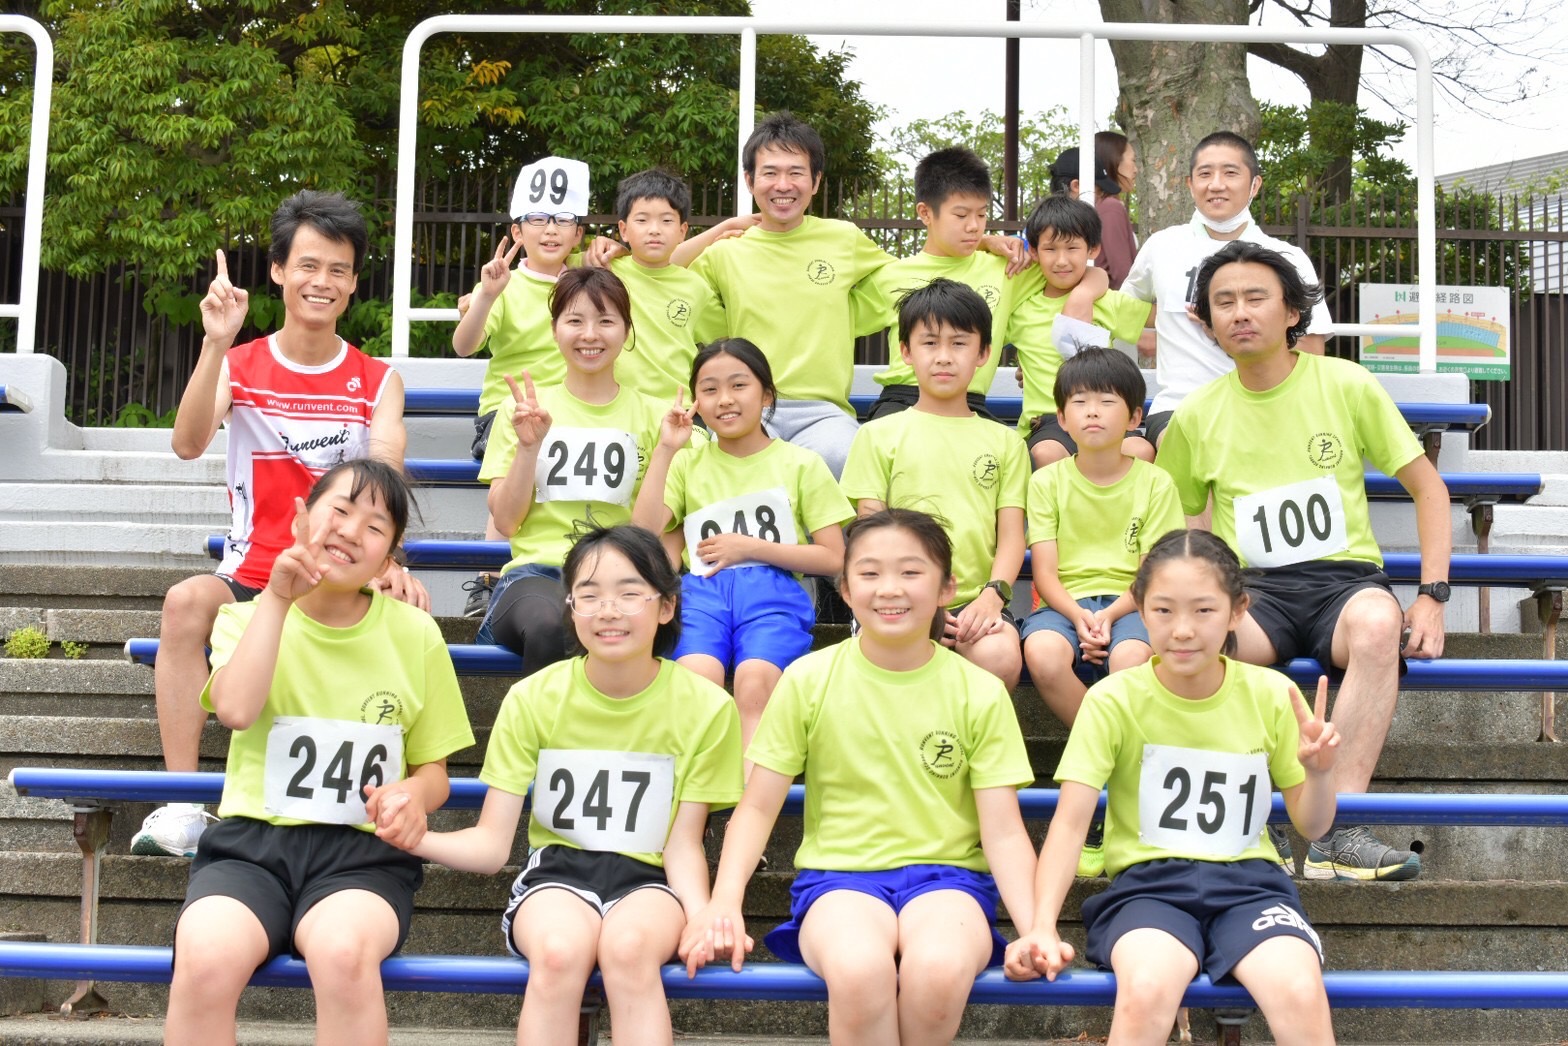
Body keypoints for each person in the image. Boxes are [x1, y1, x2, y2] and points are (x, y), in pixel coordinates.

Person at [135, 190, 423, 860]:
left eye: (339, 270)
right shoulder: (240, 364)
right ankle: (182, 802)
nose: (322, 282)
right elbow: (186, 443)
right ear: (278, 271)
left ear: (353, 284)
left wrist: (389, 563)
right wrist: (216, 344)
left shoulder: (377, 381)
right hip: (251, 575)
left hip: (340, 580)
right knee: (184, 603)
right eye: (309, 265)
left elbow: (386, 476)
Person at [681, 509, 1038, 1045]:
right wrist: (724, 901)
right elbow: (756, 807)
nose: (889, 589)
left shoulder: (979, 691)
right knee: (859, 970)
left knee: (938, 971)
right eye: (869, 573)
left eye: (911, 572)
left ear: (948, 587)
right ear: (845, 590)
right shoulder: (807, 678)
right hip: (838, 877)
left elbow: (1006, 831)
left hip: (949, 880)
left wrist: (1036, 928)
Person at [1159, 239, 1451, 881]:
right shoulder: (1195, 416)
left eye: (1255, 297)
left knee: (1379, 625)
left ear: (1292, 311)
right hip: (1252, 591)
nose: (1240, 312)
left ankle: (1334, 832)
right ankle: (1238, 820)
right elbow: (1187, 525)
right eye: (1223, 302)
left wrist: (1431, 594)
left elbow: (1428, 487)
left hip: (1345, 585)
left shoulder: (1346, 383)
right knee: (1198, 638)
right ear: (1205, 322)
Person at [392, 524, 743, 1046]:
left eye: (629, 593)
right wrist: (416, 839)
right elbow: (492, 846)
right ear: (570, 607)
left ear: (666, 607)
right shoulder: (532, 698)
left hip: (650, 883)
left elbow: (683, 843)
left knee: (629, 950)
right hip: (555, 874)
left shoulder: (709, 707)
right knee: (559, 950)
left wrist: (703, 916)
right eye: (590, 594)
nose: (608, 610)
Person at [165, 460, 474, 1046]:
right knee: (203, 957)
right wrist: (278, 601)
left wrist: (410, 794)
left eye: (376, 526)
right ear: (302, 516)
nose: (353, 530)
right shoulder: (243, 618)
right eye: (340, 508)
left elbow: (434, 771)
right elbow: (234, 710)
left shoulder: (416, 634)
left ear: (389, 559)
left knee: (343, 953)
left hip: (363, 857)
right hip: (251, 850)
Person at [1005, 529, 1339, 1046]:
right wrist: (1042, 925)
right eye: (1162, 611)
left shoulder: (1273, 694)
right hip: (1148, 888)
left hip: (1251, 886)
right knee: (1146, 986)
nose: (1182, 630)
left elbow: (1314, 826)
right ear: (1140, 609)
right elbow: (1070, 827)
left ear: (1237, 611)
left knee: (1299, 988)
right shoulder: (1113, 699)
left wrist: (1318, 773)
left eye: (1203, 611)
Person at [687, 112, 1027, 478]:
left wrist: (984, 241)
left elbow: (922, 272)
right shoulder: (724, 252)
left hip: (823, 413)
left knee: (851, 459)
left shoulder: (844, 239)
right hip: (746, 405)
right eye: (770, 172)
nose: (783, 184)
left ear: (816, 181)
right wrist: (715, 231)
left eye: (796, 172)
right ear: (750, 180)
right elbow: (659, 280)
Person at [632, 338, 851, 754]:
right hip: (701, 597)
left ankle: (747, 813)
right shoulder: (687, 463)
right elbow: (644, 530)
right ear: (695, 399)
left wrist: (750, 549)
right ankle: (697, 813)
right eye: (709, 389)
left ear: (766, 395)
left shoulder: (802, 464)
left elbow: (833, 556)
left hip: (774, 597)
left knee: (755, 684)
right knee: (696, 683)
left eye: (739, 386)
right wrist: (665, 449)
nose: (724, 400)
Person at [475, 266, 677, 676]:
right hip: (537, 574)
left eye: (606, 321)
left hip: (621, 576)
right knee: (553, 625)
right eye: (575, 321)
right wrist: (529, 448)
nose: (590, 335)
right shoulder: (522, 411)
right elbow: (508, 522)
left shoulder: (658, 418)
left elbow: (647, 531)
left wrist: (666, 451)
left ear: (626, 330)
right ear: (555, 330)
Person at [841, 280, 1028, 689]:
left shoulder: (1006, 441)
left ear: (983, 353)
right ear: (906, 351)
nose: (944, 357)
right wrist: (922, 605)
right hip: (896, 596)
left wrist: (993, 595)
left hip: (975, 601)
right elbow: (869, 534)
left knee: (998, 658)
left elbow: (1012, 535)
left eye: (959, 344)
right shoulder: (877, 435)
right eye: (929, 343)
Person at [1122, 131, 1332, 449]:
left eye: (1230, 173)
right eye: (1205, 174)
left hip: (1267, 407)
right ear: (1190, 184)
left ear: (1255, 185)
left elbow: (1312, 350)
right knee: (1191, 450)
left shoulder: (1286, 257)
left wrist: (1225, 334)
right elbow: (1120, 308)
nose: (1216, 184)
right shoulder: (1163, 246)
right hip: (1180, 409)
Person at [452, 157, 588, 619]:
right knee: (513, 467)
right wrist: (486, 295)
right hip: (508, 410)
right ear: (516, 231)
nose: (550, 230)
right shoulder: (503, 285)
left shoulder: (589, 285)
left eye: (563, 219)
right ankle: (488, 581)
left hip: (574, 410)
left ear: (578, 234)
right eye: (537, 219)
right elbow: (464, 346)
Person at [858, 146, 1067, 422]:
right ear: (925, 213)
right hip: (904, 399)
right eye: (961, 215)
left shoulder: (1009, 268)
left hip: (971, 404)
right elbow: (836, 319)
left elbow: (1077, 270)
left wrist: (1088, 290)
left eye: (981, 215)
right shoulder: (890, 276)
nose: (974, 226)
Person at [1011, 195, 1153, 469]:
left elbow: (1164, 319)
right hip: (1049, 419)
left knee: (1140, 449)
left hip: (1105, 415)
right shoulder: (1022, 308)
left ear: (1093, 249)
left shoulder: (1106, 301)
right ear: (1034, 251)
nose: (1062, 260)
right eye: (1050, 249)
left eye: (1072, 248)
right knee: (1046, 455)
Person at [607, 168, 728, 402]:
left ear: (682, 231)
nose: (654, 229)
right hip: (617, 406)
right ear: (623, 230)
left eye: (666, 220)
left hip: (679, 408)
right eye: (642, 220)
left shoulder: (696, 287)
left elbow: (727, 332)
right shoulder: (606, 271)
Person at [1048, 132, 1138, 289]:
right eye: (1133, 160)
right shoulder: (1110, 207)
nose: (1136, 169)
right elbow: (1123, 273)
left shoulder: (1048, 218)